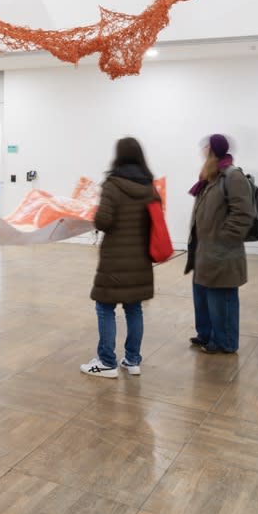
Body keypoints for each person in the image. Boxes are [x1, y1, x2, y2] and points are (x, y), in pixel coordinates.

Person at [81, 137, 159, 378]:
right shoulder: (150, 187)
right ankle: (132, 360)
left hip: (115, 259)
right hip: (140, 260)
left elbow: (103, 221)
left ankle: (106, 362)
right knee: (134, 309)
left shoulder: (112, 185)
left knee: (105, 308)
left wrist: (94, 211)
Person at [185, 134, 256, 354]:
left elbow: (244, 214)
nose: (203, 149)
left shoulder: (232, 176)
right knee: (203, 297)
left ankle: (225, 342)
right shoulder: (210, 177)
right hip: (204, 251)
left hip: (221, 252)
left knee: (221, 299)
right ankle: (206, 335)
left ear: (214, 149)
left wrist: (223, 238)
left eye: (206, 146)